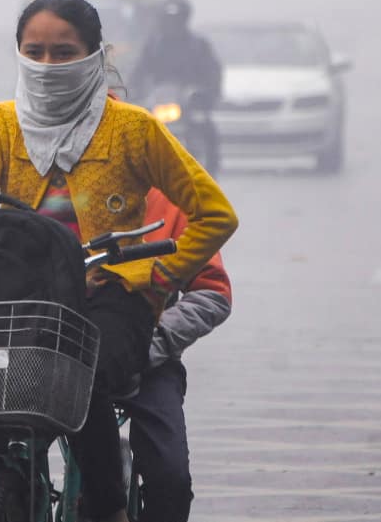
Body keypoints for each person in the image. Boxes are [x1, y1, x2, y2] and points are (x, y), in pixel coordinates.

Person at [0, 0, 238, 522]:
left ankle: (111, 506)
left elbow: (216, 215)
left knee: (83, 373)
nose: (48, 65)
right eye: (36, 51)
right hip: (24, 302)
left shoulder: (137, 130)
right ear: (19, 53)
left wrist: (154, 276)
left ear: (96, 57)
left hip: (111, 304)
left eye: (64, 52)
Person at [121, 188, 232, 522]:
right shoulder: (44, 184)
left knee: (170, 480)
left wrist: (151, 342)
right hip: (56, 354)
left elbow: (212, 293)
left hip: (146, 361)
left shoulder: (170, 198)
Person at [129, 0, 222, 175]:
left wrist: (209, 93)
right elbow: (139, 70)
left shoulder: (198, 45)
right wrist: (132, 90)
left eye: (177, 20)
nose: (173, 24)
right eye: (169, 19)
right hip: (159, 98)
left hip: (190, 100)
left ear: (184, 19)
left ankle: (210, 172)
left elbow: (212, 71)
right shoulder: (154, 45)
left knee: (207, 128)